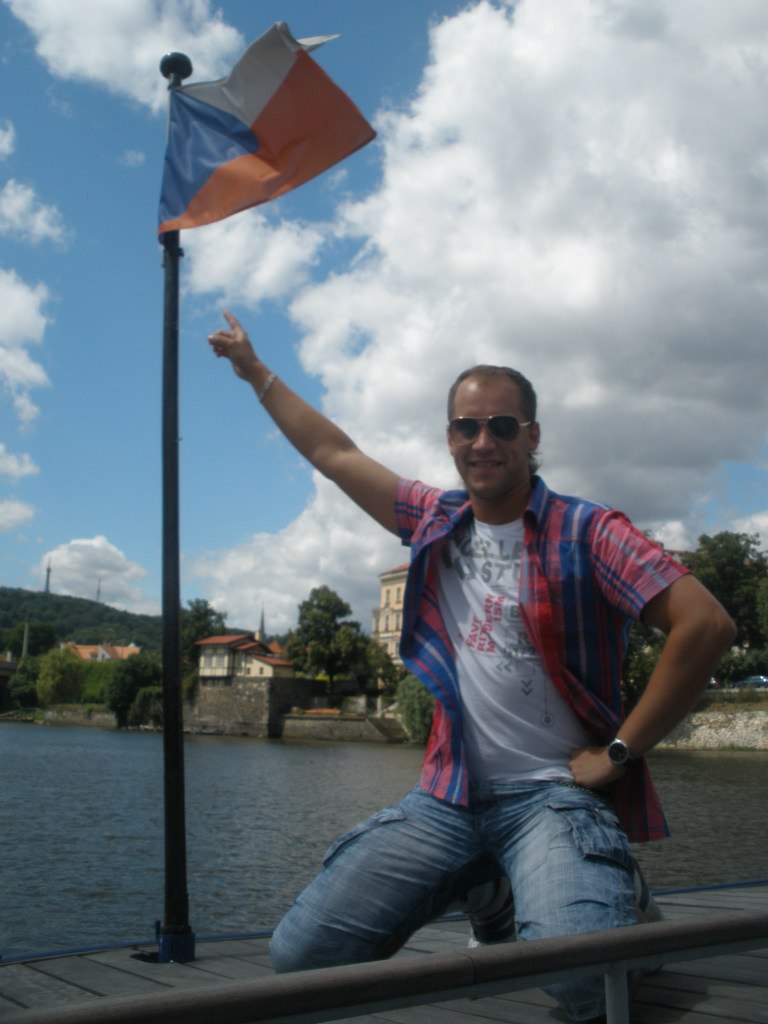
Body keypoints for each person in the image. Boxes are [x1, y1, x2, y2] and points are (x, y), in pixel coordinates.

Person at [208, 310, 735, 1022]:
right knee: (300, 960)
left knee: (585, 985)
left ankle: (628, 906)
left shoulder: (588, 530)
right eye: (466, 427)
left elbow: (705, 624)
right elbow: (334, 453)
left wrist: (619, 751)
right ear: (450, 437)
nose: (483, 442)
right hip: (449, 799)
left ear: (532, 437)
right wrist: (254, 372)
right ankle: (490, 890)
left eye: (502, 426)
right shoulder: (435, 519)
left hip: (554, 797)